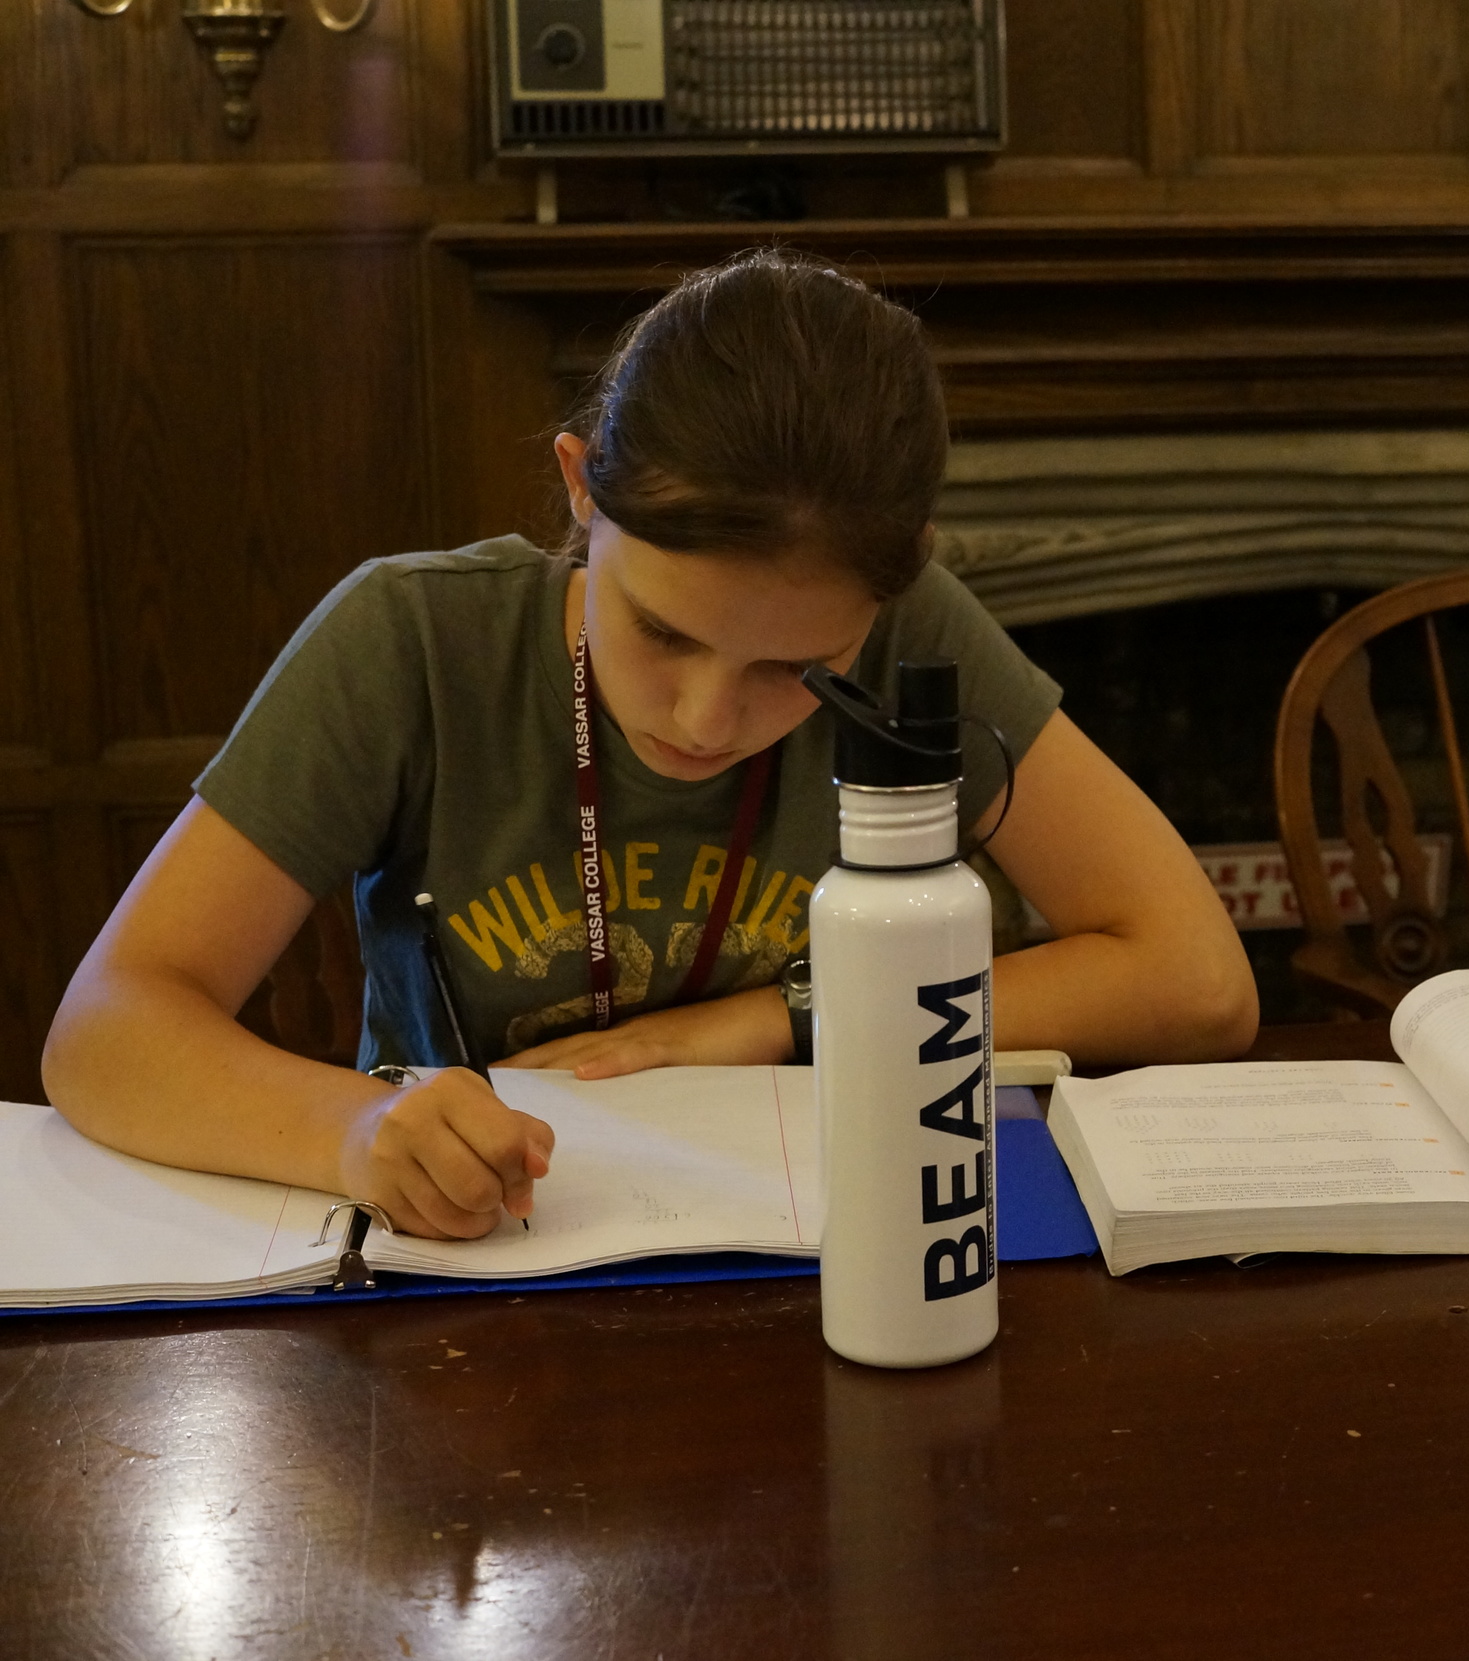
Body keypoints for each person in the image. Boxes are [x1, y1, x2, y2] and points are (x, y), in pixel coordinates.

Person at [44, 248, 1259, 1238]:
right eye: (663, 631)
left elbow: (1197, 981)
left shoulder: (911, 629)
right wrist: (354, 1132)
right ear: (582, 488)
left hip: (834, 1239)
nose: (702, 718)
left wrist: (775, 1018)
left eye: (797, 668)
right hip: (478, 1250)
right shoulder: (410, 639)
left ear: (893, 587)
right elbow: (108, 1027)